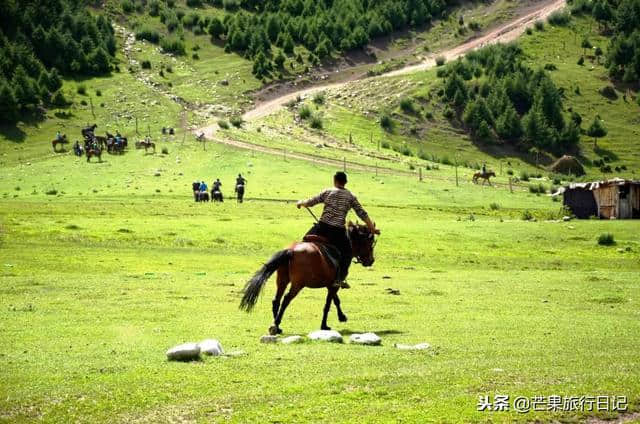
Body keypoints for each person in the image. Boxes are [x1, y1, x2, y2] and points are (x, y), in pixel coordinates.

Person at [297, 171, 379, 289]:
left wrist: (301, 203)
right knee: (347, 253)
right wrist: (372, 228)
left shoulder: (327, 191)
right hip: (337, 231)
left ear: (334, 180)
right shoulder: (350, 196)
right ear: (345, 182)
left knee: (304, 241)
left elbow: (311, 202)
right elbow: (362, 213)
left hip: (322, 227)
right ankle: (339, 279)